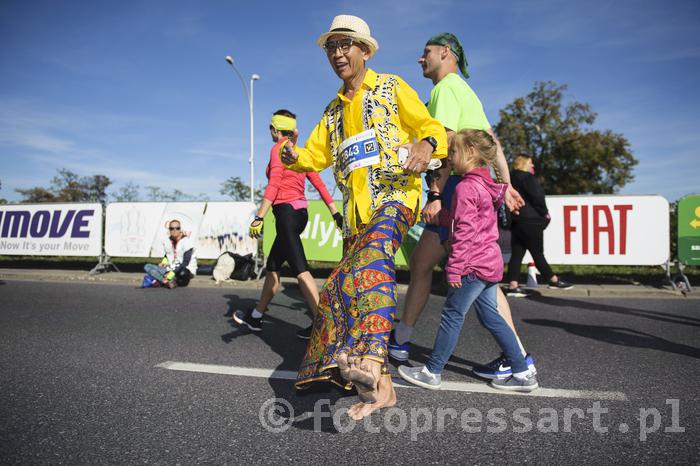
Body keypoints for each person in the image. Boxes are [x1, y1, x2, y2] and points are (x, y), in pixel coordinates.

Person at [280, 14, 447, 420]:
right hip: (357, 218)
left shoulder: (391, 87)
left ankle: (370, 360)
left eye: (345, 45)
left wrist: (426, 145)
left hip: (395, 197)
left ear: (365, 51)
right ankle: (384, 388)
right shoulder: (333, 111)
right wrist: (294, 157)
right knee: (343, 288)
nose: (337, 53)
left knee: (372, 260)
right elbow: (316, 155)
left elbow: (430, 125)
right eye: (331, 47)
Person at [389, 32, 535, 381]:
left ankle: (516, 358)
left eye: (426, 53)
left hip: (456, 187)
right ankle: (401, 339)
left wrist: (437, 195)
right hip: (472, 185)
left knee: (473, 276)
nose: (420, 59)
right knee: (428, 263)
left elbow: (442, 147)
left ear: (445, 53)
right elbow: (494, 143)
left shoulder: (445, 89)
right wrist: (506, 183)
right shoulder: (467, 91)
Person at [399, 129, 539, 393]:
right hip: (489, 263)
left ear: (471, 153)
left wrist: (454, 269)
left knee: (452, 315)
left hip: (472, 265)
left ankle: (432, 371)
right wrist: (442, 218)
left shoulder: (464, 187)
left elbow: (464, 233)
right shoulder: (485, 184)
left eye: (453, 152)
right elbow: (471, 220)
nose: (449, 158)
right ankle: (522, 373)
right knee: (492, 318)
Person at [233, 110, 342, 339]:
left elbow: (273, 185)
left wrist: (259, 215)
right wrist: (334, 213)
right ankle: (256, 316)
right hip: (301, 214)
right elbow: (320, 184)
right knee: (273, 266)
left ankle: (326, 329)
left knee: (301, 271)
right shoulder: (299, 154)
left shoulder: (277, 150)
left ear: (275, 130)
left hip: (285, 215)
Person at [505, 154, 572, 296]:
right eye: (530, 163)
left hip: (516, 220)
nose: (532, 166)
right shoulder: (527, 178)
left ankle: (513, 285)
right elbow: (537, 196)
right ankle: (552, 279)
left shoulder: (509, 178)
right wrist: (544, 213)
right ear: (524, 164)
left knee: (517, 254)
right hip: (531, 221)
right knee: (537, 253)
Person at [143, 219, 197, 288]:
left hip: (183, 269)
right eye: (172, 228)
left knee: (183, 273)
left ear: (180, 229)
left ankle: (166, 280)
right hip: (170, 268)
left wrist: (171, 274)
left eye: (177, 228)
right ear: (169, 230)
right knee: (147, 266)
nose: (174, 230)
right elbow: (167, 255)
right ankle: (164, 281)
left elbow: (185, 263)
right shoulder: (167, 241)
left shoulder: (186, 242)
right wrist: (163, 263)